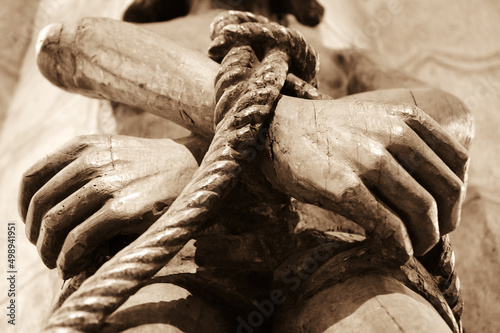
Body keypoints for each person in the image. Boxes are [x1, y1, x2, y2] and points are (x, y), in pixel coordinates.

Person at [20, 0, 472, 331]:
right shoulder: (167, 28)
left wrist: (192, 165)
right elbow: (65, 45)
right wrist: (289, 131)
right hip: (168, 249)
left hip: (344, 247)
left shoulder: (337, 56)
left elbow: (444, 114)